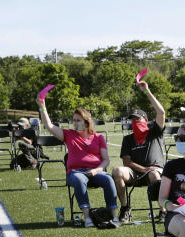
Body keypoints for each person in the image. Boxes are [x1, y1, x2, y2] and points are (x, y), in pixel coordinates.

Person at [37, 95, 116, 227]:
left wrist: (97, 170)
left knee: (109, 179)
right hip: (75, 172)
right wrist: (42, 106)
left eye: (78, 120)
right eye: (73, 120)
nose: (75, 123)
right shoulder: (69, 134)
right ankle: (87, 217)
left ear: (86, 122)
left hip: (95, 172)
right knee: (79, 179)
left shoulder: (98, 137)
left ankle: (113, 216)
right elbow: (49, 125)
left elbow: (106, 160)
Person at [112, 80, 166, 223]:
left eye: (138, 119)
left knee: (154, 173)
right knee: (117, 171)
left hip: (155, 172)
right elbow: (127, 161)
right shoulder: (128, 139)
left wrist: (147, 92)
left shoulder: (154, 132)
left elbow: (161, 112)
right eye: (132, 120)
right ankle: (125, 208)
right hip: (136, 173)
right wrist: (144, 169)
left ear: (146, 120)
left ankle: (163, 211)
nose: (135, 122)